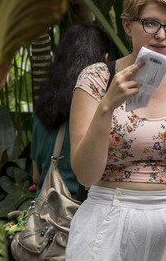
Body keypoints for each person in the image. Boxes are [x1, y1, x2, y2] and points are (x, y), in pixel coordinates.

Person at [65, 0, 166, 261]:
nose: (162, 35)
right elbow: (85, 175)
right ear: (128, 25)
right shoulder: (98, 79)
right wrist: (108, 106)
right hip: (109, 219)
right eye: (151, 23)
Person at [30, 24, 113, 199]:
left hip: (46, 213)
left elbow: (36, 177)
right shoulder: (104, 110)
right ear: (105, 60)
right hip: (82, 208)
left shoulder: (41, 110)